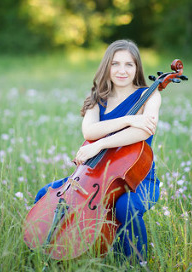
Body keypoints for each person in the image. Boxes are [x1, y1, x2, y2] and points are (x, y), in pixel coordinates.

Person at [33, 39, 162, 261]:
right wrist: (131, 118)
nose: (122, 70)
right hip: (97, 177)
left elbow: (142, 132)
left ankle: (135, 263)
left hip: (139, 181)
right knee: (46, 194)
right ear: (107, 67)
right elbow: (90, 132)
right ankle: (47, 251)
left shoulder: (148, 95)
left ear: (137, 68)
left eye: (129, 65)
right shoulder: (97, 97)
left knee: (125, 206)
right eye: (115, 64)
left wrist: (101, 144)